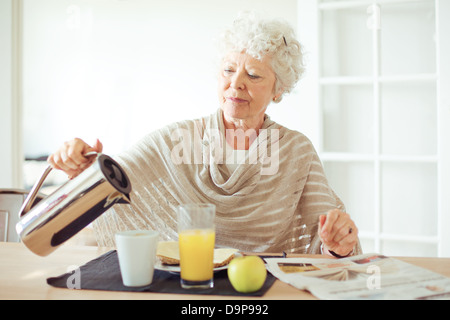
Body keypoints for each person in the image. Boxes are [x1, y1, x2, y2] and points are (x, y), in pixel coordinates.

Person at [48, 12, 361, 257]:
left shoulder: (296, 151)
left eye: (253, 75)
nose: (236, 83)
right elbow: (108, 181)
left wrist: (338, 243)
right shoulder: (175, 139)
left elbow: (332, 244)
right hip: (181, 285)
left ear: (279, 90)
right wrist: (81, 164)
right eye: (228, 70)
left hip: (263, 291)